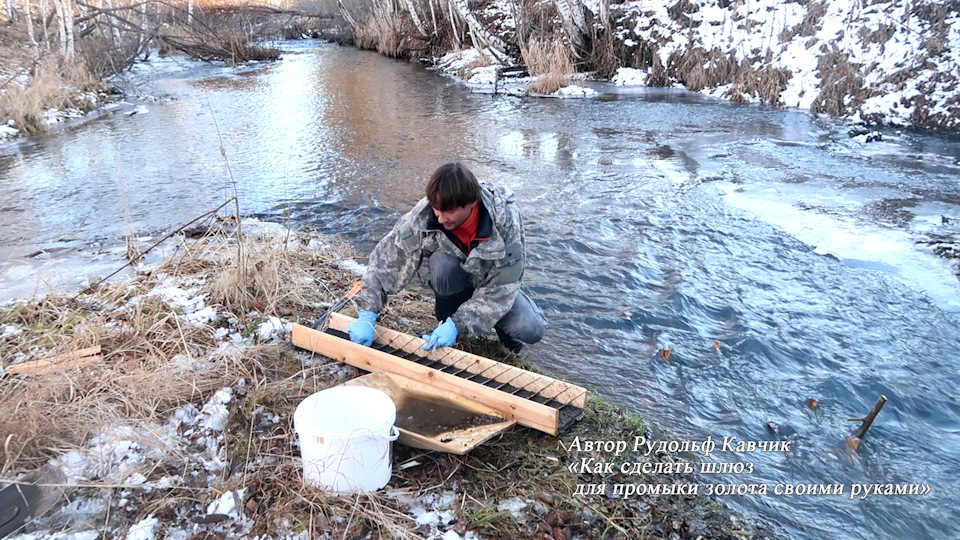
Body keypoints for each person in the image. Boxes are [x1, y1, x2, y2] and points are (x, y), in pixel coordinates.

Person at [346, 162, 546, 353]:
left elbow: (503, 287)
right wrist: (368, 312)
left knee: (531, 327)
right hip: (454, 282)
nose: (441, 219)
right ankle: (446, 318)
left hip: (492, 287)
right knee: (442, 263)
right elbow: (386, 261)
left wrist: (458, 324)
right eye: (436, 209)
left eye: (450, 211)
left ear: (472, 203)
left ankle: (498, 333)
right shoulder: (423, 217)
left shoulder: (505, 221)